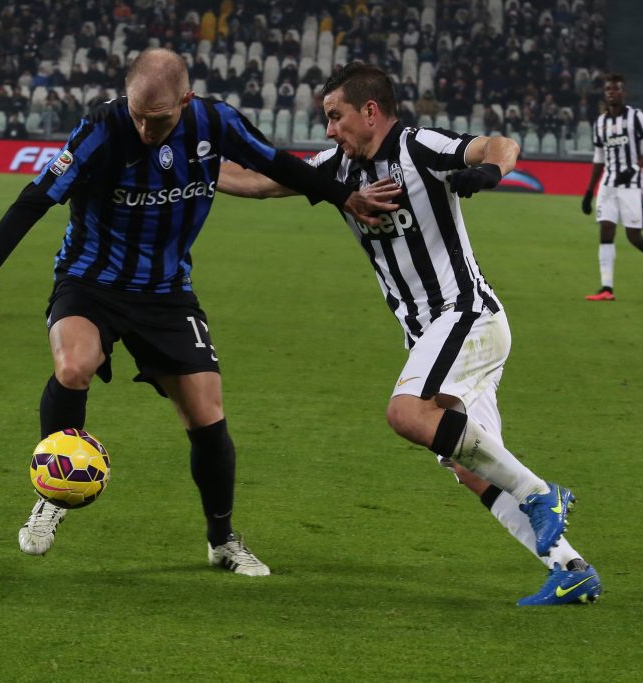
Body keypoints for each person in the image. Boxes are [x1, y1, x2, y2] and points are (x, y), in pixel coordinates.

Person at [0, 49, 394, 577]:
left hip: (166, 292)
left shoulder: (213, 120)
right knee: (73, 365)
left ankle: (222, 540)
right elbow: (36, 197)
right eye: (139, 116)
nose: (147, 130)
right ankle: (53, 496)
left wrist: (344, 197)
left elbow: (274, 163)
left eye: (160, 119)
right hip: (90, 282)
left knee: (207, 413)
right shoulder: (101, 128)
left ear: (186, 100)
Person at [217, 62, 602, 605]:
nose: (329, 130)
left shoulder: (419, 147)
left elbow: (500, 143)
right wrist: (185, 165)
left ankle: (543, 493)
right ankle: (570, 567)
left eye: (335, 116)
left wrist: (488, 173)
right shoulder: (334, 168)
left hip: (465, 314)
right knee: (467, 464)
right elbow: (257, 182)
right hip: (434, 334)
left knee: (406, 413)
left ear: (370, 111)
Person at [581, 73, 643, 301]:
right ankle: (606, 287)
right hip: (608, 185)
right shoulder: (600, 123)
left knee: (634, 237)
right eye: (608, 89)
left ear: (624, 93)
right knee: (606, 229)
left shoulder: (636, 117)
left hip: (632, 186)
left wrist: (634, 167)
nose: (612, 92)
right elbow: (599, 157)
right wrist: (589, 191)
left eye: (616, 89)